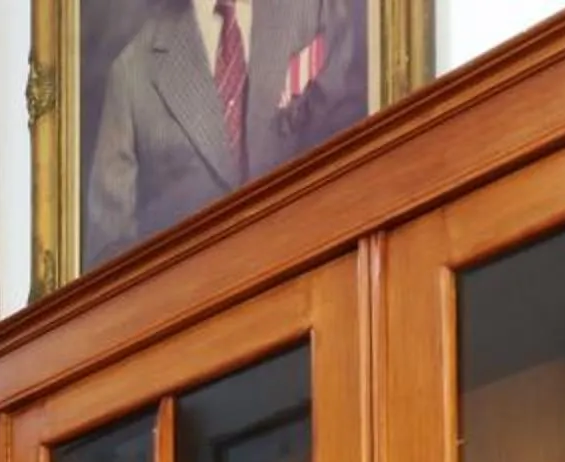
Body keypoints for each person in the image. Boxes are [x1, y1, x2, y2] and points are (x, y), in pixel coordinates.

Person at [83, 0, 366, 265]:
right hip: (196, 304)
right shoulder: (132, 72)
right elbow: (108, 254)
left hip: (315, 274)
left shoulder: (315, 8)